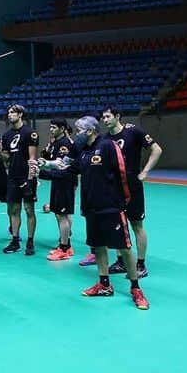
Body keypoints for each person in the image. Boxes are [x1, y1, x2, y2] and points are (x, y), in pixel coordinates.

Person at [40, 116, 148, 310]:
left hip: (112, 207)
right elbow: (68, 171)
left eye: (79, 130)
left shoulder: (107, 145)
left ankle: (136, 288)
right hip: (91, 208)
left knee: (123, 247)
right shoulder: (83, 151)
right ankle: (104, 284)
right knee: (98, 247)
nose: (77, 133)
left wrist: (123, 201)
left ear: (90, 131)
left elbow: (122, 173)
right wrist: (44, 167)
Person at [101, 106, 163, 278]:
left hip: (132, 187)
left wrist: (145, 171)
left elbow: (156, 149)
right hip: (114, 188)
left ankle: (141, 264)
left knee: (136, 225)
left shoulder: (133, 132)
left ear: (117, 116)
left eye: (107, 116)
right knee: (118, 225)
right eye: (103, 117)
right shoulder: (105, 139)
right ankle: (121, 262)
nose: (104, 120)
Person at [0, 104, 39, 256]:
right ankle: (15, 240)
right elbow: (6, 158)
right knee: (13, 210)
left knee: (29, 209)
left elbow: (32, 158)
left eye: (12, 112)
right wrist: (0, 152)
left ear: (20, 114)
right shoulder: (7, 135)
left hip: (26, 176)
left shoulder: (30, 133)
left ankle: (30, 241)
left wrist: (29, 179)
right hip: (12, 177)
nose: (9, 115)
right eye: (8, 112)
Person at [40, 119, 77, 262]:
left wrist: (43, 170)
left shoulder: (65, 144)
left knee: (63, 215)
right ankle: (66, 245)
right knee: (60, 214)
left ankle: (64, 248)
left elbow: (62, 166)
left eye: (54, 127)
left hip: (65, 182)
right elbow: (51, 159)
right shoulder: (55, 142)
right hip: (58, 181)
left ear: (62, 128)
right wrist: (46, 154)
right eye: (50, 127)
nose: (51, 130)